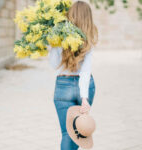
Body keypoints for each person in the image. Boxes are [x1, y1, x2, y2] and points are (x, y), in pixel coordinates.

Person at [48, 1, 98, 150]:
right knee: (78, 131)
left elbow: (53, 65)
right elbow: (85, 72)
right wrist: (84, 98)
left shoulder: (59, 37)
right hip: (86, 87)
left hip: (63, 86)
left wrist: (53, 44)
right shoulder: (88, 41)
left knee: (67, 133)